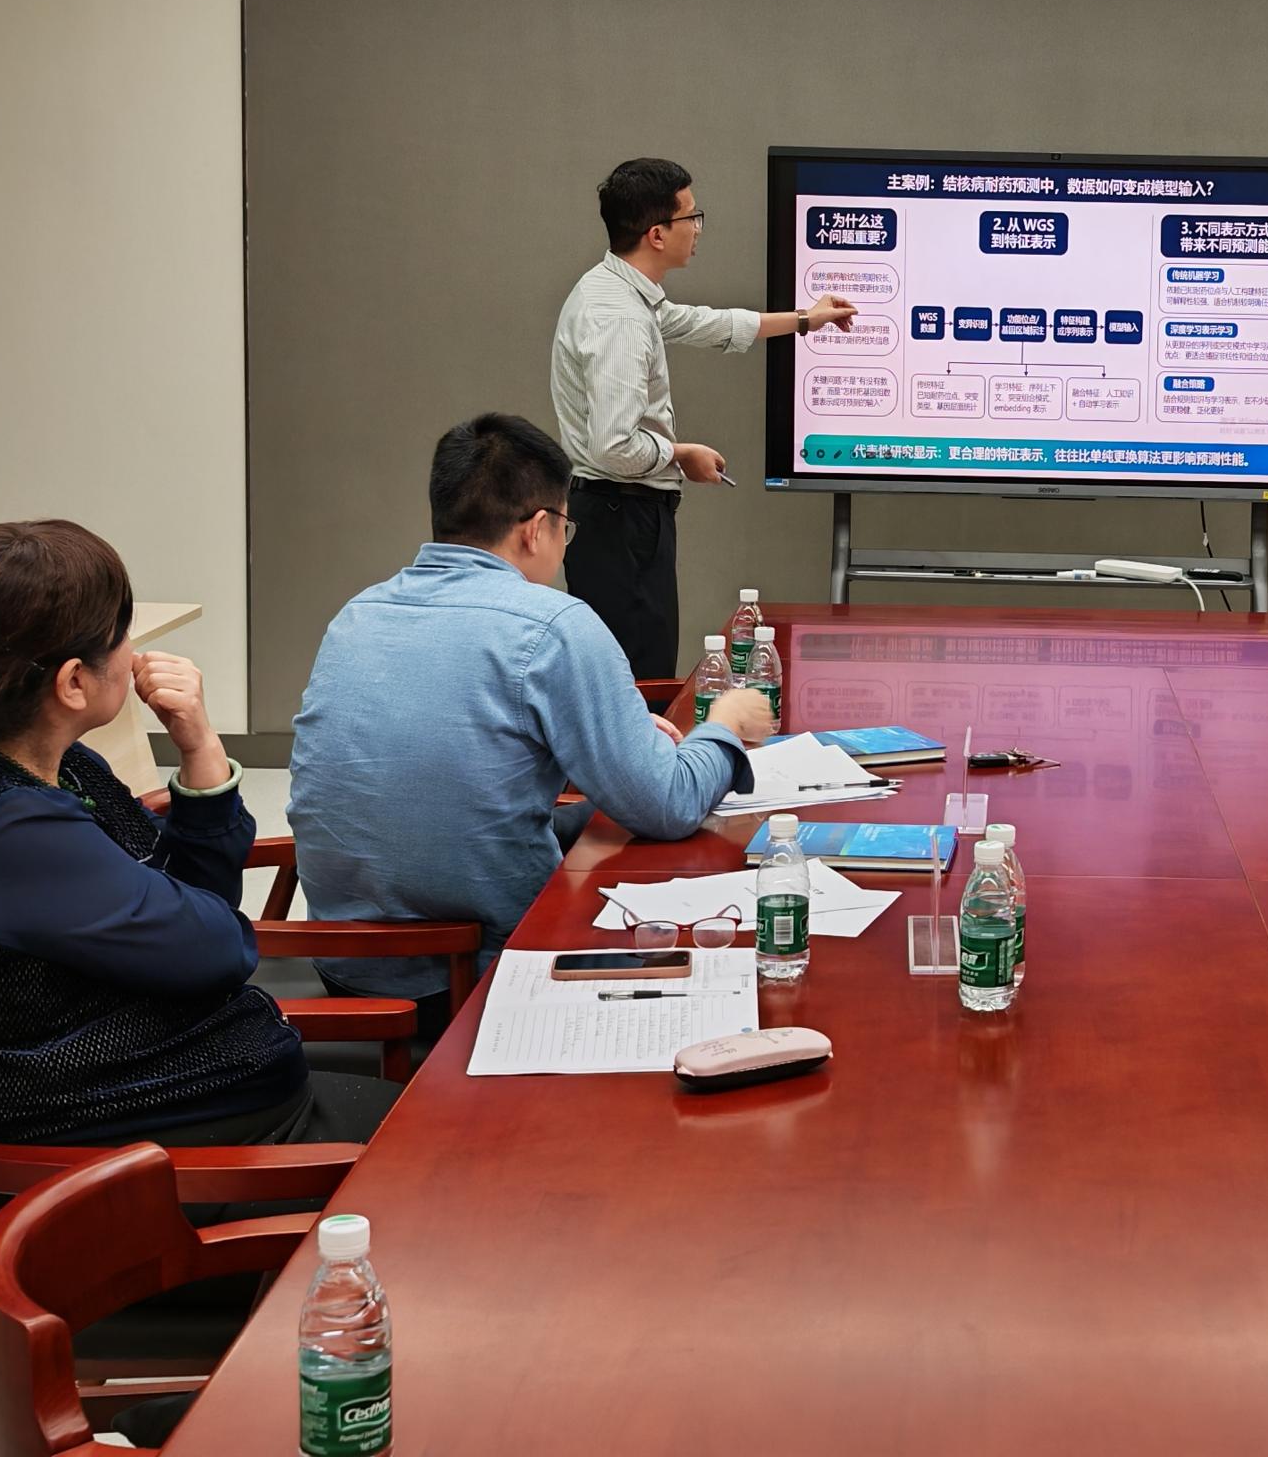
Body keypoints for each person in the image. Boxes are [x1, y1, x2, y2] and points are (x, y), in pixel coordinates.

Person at [0, 520, 394, 1219]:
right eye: (121, 635)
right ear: (73, 681)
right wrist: (203, 911)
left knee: (451, 1132)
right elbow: (221, 947)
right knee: (469, 1161)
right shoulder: (16, 829)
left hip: (168, 1112)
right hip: (133, 1166)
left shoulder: (44, 767)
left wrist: (201, 749)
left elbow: (193, 902)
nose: (133, 653)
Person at [289, 413, 773, 1015]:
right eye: (566, 527)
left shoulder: (358, 614)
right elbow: (668, 804)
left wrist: (594, 735)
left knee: (596, 821)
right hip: (478, 976)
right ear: (537, 529)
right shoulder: (553, 625)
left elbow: (447, 761)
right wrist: (725, 723)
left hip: (344, 967)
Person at [550, 156, 857, 677]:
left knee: (632, 672)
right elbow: (613, 446)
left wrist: (806, 319)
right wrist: (680, 454)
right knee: (637, 678)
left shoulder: (617, 290)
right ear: (656, 234)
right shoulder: (619, 318)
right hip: (621, 518)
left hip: (617, 515)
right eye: (691, 217)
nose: (698, 228)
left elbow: (698, 323)